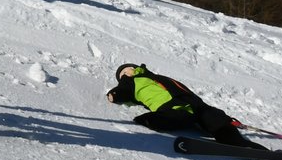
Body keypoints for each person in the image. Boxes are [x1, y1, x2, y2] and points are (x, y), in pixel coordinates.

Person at [105, 63, 265, 149]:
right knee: (176, 116)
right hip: (171, 105)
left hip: (195, 103)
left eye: (128, 69)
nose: (127, 72)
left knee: (216, 118)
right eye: (123, 73)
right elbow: (122, 91)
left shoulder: (155, 76)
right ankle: (152, 120)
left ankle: (243, 144)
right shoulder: (131, 82)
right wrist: (114, 95)